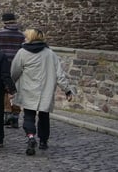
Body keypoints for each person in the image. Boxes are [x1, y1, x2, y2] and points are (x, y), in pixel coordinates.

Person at [10, 28, 74, 156]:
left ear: (31, 37)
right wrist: (67, 90)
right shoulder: (50, 54)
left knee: (29, 116)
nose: (24, 38)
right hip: (45, 90)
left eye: (26, 36)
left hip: (28, 90)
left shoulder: (22, 53)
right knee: (44, 117)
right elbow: (59, 75)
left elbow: (14, 72)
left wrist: (10, 86)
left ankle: (31, 136)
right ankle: (43, 141)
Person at [0, 13, 25, 128]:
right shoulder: (21, 35)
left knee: (4, 90)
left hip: (3, 65)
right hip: (18, 65)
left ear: (4, 22)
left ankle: (7, 113)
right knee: (17, 90)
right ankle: (16, 116)